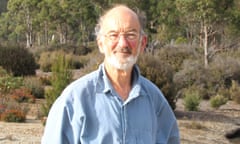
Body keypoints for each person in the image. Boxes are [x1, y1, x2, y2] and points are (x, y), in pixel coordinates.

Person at [41, 4, 180, 144]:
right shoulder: (74, 99)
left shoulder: (155, 100)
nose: (123, 43)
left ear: (142, 43)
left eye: (131, 35)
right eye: (113, 35)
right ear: (101, 43)